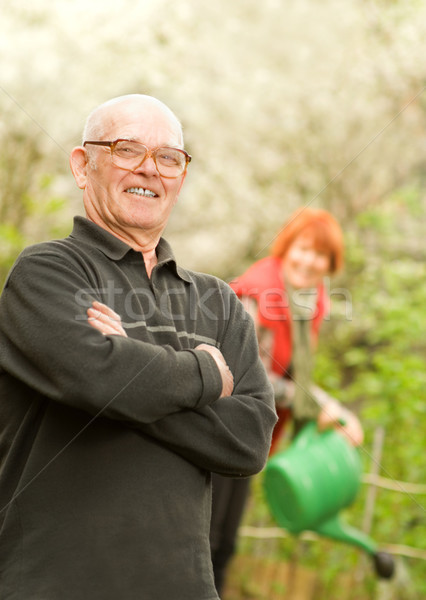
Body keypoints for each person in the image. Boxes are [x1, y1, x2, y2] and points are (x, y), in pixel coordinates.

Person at [0, 94, 277, 600]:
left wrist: (129, 364)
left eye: (169, 157)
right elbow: (96, 378)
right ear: (84, 166)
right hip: (52, 585)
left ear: (181, 177)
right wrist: (206, 374)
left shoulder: (217, 300)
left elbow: (249, 439)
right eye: (128, 150)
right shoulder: (46, 273)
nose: (150, 170)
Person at [210, 208, 364, 594]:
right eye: (303, 249)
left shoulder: (306, 304)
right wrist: (319, 403)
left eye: (320, 255)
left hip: (246, 438)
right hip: (214, 429)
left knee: (224, 546)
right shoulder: (258, 296)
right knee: (203, 544)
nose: (309, 262)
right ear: (286, 247)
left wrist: (332, 410)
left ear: (330, 264)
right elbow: (252, 375)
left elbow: (293, 378)